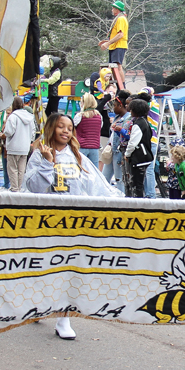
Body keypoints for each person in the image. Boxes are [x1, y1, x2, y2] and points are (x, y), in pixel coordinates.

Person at [26, 111, 121, 339]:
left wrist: (117, 202)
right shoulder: (39, 155)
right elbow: (33, 188)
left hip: (73, 224)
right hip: (47, 223)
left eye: (69, 128)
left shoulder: (78, 156)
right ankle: (41, 304)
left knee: (68, 268)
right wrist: (48, 163)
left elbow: (95, 186)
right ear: (51, 128)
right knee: (46, 267)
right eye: (61, 127)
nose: (66, 131)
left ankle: (63, 318)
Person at [2, 97, 36, 192]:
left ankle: (14, 187)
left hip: (13, 146)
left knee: (12, 168)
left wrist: (3, 134)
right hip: (25, 147)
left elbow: (9, 132)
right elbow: (33, 132)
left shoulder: (13, 117)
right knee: (22, 169)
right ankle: (20, 187)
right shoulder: (30, 117)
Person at [124, 98, 153, 198]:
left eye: (131, 109)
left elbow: (132, 142)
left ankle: (138, 205)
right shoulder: (145, 122)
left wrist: (127, 154)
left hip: (139, 158)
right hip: (145, 156)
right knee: (139, 184)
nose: (130, 111)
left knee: (137, 185)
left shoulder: (138, 124)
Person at [106, 91, 130, 191]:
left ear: (120, 106)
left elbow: (127, 135)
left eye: (115, 105)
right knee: (104, 177)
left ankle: (122, 200)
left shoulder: (128, 118)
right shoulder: (117, 117)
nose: (113, 108)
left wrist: (118, 130)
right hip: (112, 149)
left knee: (119, 178)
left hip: (119, 151)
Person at [74, 93, 103, 167]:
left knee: (81, 169)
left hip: (81, 147)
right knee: (94, 170)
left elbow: (72, 128)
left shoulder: (79, 116)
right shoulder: (99, 116)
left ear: (84, 103)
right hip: (95, 147)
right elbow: (100, 128)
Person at [100, 1, 128, 68]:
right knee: (113, 67)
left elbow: (120, 34)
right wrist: (107, 42)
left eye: (113, 8)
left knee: (117, 66)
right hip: (114, 46)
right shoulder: (118, 18)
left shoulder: (121, 19)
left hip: (119, 46)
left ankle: (121, 79)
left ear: (117, 9)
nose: (112, 10)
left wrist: (108, 43)